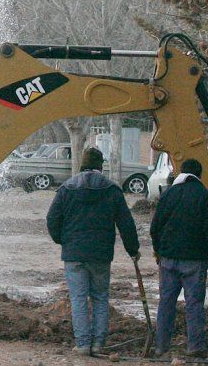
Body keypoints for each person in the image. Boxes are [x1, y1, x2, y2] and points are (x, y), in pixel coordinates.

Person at [47, 147, 140, 355]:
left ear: (81, 165)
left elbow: (52, 219)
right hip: (100, 255)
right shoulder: (112, 190)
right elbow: (126, 223)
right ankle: (98, 344)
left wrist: (63, 241)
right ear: (101, 166)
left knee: (78, 299)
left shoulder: (66, 189)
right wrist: (133, 250)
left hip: (74, 254)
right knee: (100, 297)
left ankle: (82, 344)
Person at [150, 158, 208, 358]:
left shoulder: (169, 194)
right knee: (194, 303)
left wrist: (159, 250)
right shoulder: (205, 196)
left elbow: (155, 227)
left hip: (168, 258)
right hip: (194, 260)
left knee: (166, 302)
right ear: (199, 175)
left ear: (181, 173)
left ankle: (161, 346)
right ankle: (195, 345)